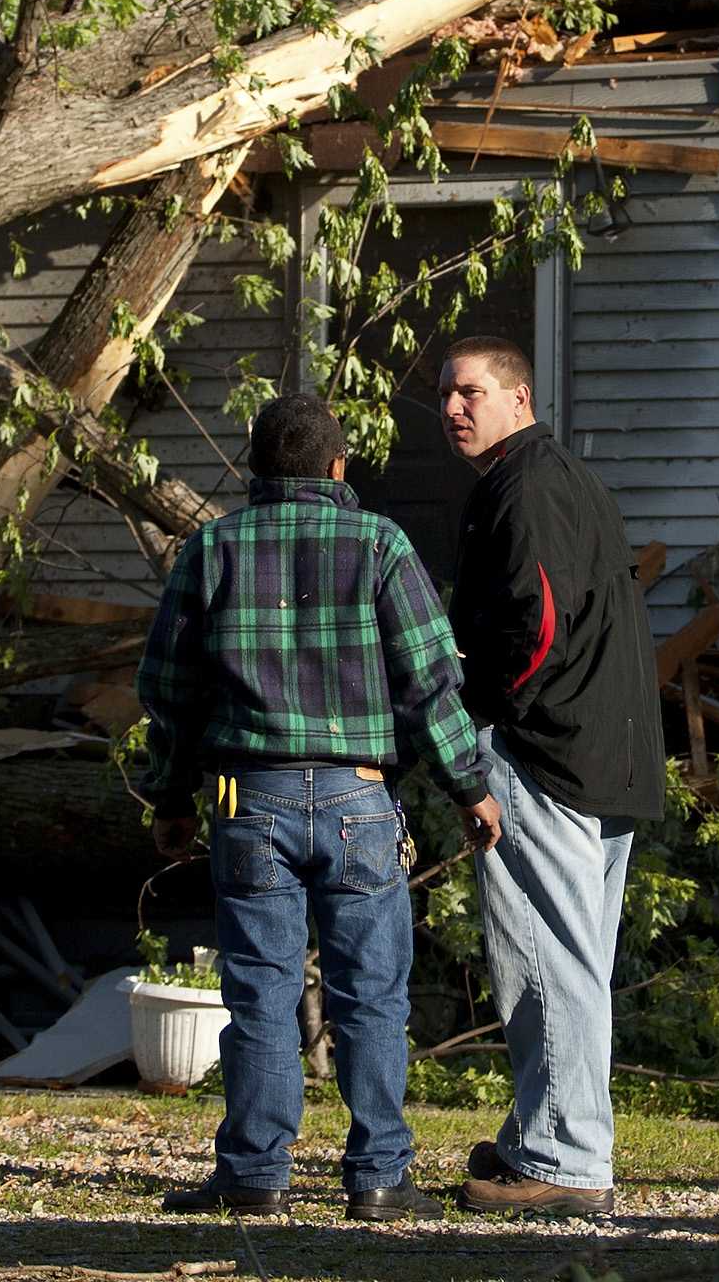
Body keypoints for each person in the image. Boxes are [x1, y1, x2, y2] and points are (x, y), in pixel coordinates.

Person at [137, 393, 505, 1222]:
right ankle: (378, 1176)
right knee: (371, 993)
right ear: (340, 467)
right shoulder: (381, 542)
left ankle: (254, 1175)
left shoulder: (212, 547)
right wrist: (469, 786)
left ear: (255, 469)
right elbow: (429, 681)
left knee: (259, 992)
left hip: (249, 795)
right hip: (359, 798)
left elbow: (168, 690)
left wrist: (169, 796)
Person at [437, 336, 662, 1219]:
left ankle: (565, 1161)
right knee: (577, 962)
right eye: (447, 396)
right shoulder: (564, 477)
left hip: (546, 754)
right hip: (609, 755)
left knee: (545, 959)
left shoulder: (522, 486)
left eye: (472, 392)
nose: (455, 408)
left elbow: (535, 621)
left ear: (519, 398)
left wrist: (484, 711)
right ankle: (549, 1136)